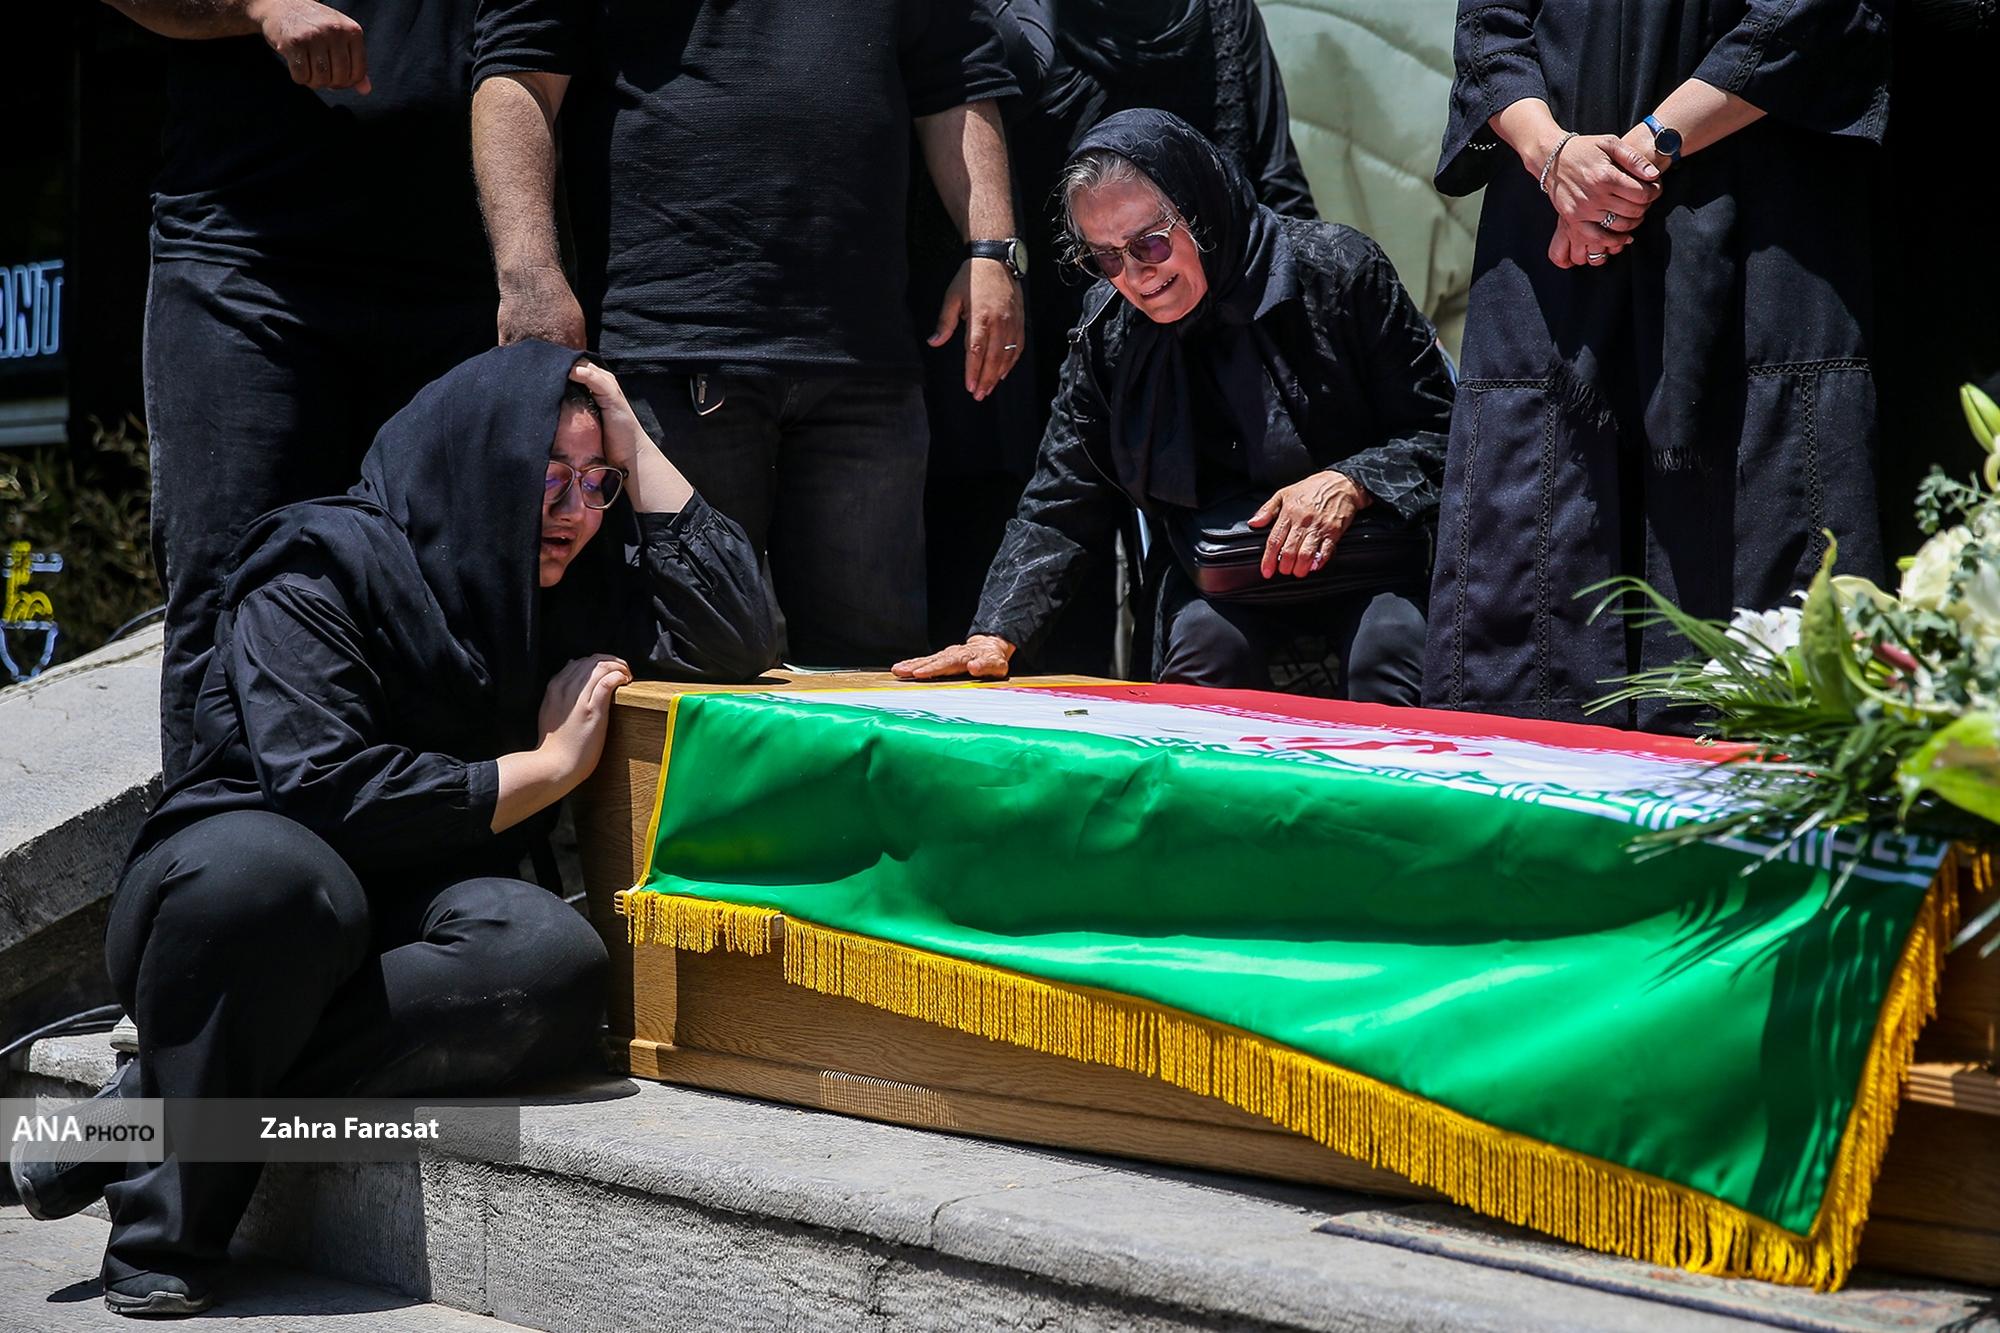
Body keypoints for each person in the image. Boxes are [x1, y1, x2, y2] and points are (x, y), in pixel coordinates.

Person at [7, 343, 775, 1316]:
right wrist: (543, 768)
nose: (577, 511)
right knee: (278, 880)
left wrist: (635, 439)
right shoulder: (316, 565)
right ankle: (163, 1239)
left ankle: (140, 1108)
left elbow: (739, 636)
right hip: (237, 896)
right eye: (549, 476)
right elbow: (324, 788)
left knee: (550, 956)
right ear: (478, 463)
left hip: (410, 913)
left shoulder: (555, 586)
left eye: (598, 483)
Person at [470, 0, 1023, 667]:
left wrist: (993, 249)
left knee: (873, 675)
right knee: (676, 661)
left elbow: (958, 69)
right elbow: (519, 70)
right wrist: (528, 272)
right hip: (669, 350)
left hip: (865, 362)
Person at [1424, 0, 1892, 729]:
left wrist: (1638, 154)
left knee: (1758, 556)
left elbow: (1809, 13)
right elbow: (1490, 27)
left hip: (1756, 210)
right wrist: (1553, 156)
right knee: (1535, 549)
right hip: (1550, 218)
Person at [895, 111, 1452, 698]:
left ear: (1201, 211)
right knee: (1204, 652)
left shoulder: (1339, 271)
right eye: (1107, 257)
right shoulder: (1110, 329)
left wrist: (1352, 481)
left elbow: (1448, 432)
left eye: (1150, 243)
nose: (1137, 276)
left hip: (1366, 560)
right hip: (1214, 575)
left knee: (1392, 648)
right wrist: (995, 633)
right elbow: (1063, 497)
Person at [100, 0, 501, 786]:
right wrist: (262, 6)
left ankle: (435, 855)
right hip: (251, 263)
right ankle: (222, 854)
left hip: (456, 273)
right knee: (234, 591)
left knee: (451, 602)